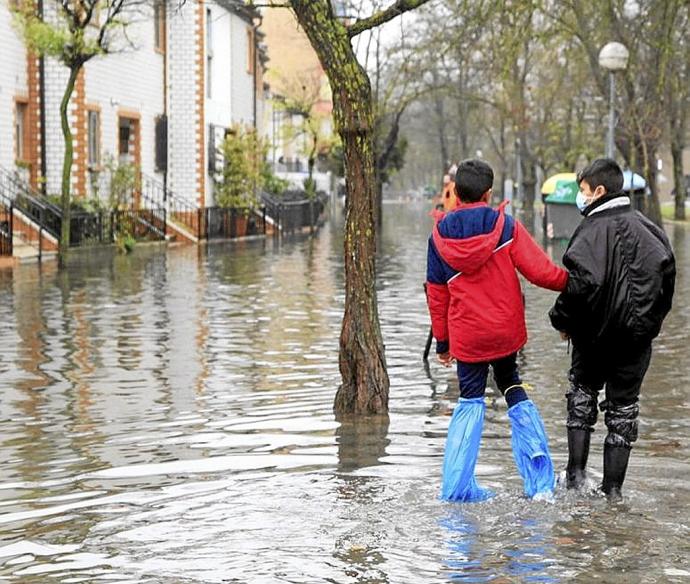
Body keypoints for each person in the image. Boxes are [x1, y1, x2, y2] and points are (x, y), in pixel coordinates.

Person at [426, 159, 568, 501]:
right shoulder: (506, 227)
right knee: (513, 387)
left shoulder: (439, 237)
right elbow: (540, 272)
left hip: (468, 336)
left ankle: (457, 490)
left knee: (469, 400)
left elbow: (437, 295)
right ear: (489, 193)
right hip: (505, 332)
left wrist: (442, 343)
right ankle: (540, 485)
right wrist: (574, 283)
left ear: (455, 194)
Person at [549, 158, 675, 499]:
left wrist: (561, 321)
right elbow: (666, 287)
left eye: (584, 191)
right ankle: (613, 493)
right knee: (623, 411)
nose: (582, 198)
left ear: (599, 191)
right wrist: (648, 326)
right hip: (635, 343)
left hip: (592, 338)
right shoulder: (652, 231)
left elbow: (579, 286)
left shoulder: (588, 231)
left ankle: (575, 477)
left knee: (581, 397)